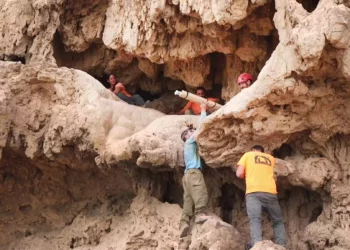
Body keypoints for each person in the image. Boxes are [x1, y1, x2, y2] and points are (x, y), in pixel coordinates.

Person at [236, 145, 286, 249]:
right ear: (262, 151)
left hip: (253, 192)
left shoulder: (248, 155)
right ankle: (282, 245)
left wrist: (247, 174)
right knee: (277, 221)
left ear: (253, 150)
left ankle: (257, 245)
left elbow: (239, 173)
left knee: (255, 219)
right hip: (270, 192)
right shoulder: (270, 158)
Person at [179, 102, 209, 238]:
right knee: (200, 191)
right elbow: (201, 128)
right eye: (190, 131)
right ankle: (200, 214)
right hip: (194, 172)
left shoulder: (187, 146)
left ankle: (184, 223)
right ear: (186, 136)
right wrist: (203, 110)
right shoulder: (190, 141)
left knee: (188, 199)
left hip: (186, 176)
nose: (192, 132)